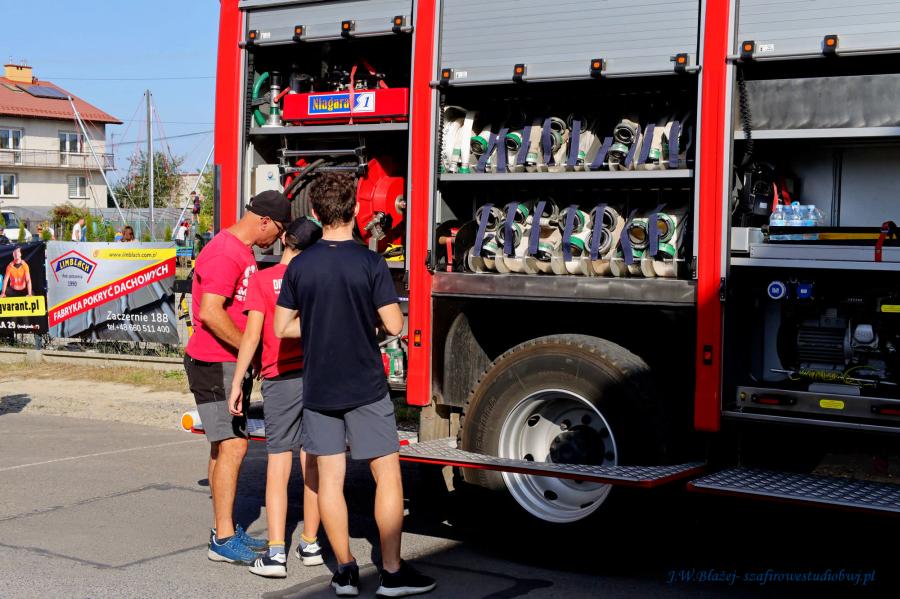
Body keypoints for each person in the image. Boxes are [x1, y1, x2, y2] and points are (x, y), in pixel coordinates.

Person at [274, 173, 436, 597]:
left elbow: (281, 327)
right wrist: (362, 320)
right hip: (365, 386)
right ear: (357, 210)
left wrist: (319, 322)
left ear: (314, 212)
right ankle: (392, 573)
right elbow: (395, 325)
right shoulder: (370, 263)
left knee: (330, 480)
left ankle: (345, 571)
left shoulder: (300, 265)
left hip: (320, 387)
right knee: (387, 476)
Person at [183, 189, 291, 566]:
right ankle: (223, 538)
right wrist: (251, 348)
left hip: (226, 363)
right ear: (264, 221)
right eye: (278, 230)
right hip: (214, 363)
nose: (278, 238)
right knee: (233, 446)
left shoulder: (241, 250)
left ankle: (223, 527)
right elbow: (211, 313)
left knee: (223, 446)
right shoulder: (225, 252)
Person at [228, 217, 324, 579]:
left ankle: (276, 552)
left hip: (278, 378)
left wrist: (238, 381)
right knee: (312, 461)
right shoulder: (315, 280)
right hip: (314, 376)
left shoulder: (263, 280)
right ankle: (311, 544)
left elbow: (252, 337)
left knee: (279, 465)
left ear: (284, 239)